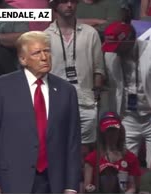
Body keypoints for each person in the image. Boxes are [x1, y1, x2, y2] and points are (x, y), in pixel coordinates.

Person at [0, 31, 82, 194]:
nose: (44, 57)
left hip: (53, 182)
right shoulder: (1, 88)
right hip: (11, 180)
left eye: (47, 51)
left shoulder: (66, 91)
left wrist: (71, 186)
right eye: (37, 53)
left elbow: (73, 142)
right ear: (22, 59)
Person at [102, 22, 151, 167]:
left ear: (130, 40)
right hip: (128, 116)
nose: (115, 51)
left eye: (118, 46)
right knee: (124, 164)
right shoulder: (109, 55)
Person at [45, 0, 105, 157]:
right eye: (64, 2)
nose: (70, 5)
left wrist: (97, 98)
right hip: (56, 100)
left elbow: (99, 68)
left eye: (73, 1)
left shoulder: (90, 32)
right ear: (55, 6)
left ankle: (82, 181)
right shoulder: (45, 35)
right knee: (58, 146)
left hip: (86, 100)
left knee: (84, 149)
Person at [84, 112, 141, 194]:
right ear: (102, 133)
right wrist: (90, 188)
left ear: (120, 131)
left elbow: (133, 187)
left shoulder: (130, 158)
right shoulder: (92, 158)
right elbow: (87, 186)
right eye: (108, 130)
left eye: (114, 130)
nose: (111, 134)